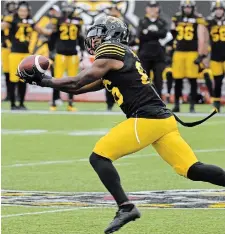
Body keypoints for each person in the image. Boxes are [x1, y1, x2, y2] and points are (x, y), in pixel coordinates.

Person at [17, 16, 225, 234]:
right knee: (193, 169)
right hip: (162, 121)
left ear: (111, 34)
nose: (94, 39)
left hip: (146, 119)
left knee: (99, 157)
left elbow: (78, 81)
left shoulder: (111, 50)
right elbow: (79, 88)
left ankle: (126, 207)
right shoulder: (120, 55)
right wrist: (44, 80)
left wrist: (44, 80)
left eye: (98, 34)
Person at [1, 1, 51, 110]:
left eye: (25, 11)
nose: (23, 13)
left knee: (24, 79)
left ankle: (22, 103)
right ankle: (13, 104)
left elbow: (41, 30)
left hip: (26, 54)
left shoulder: (30, 21)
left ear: (28, 11)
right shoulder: (12, 19)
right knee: (13, 79)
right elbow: (3, 26)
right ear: (17, 11)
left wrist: (51, 32)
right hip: (14, 53)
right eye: (21, 11)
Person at [171, 0, 208, 113]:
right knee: (178, 80)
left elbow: (202, 37)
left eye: (189, 7)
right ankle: (177, 104)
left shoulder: (198, 19)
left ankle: (192, 105)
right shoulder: (176, 18)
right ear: (182, 7)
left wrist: (201, 54)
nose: (187, 9)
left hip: (192, 52)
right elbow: (172, 34)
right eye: (185, 7)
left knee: (193, 80)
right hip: (179, 52)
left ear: (193, 8)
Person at [50, 1, 84, 111]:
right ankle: (54, 102)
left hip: (73, 54)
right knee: (56, 80)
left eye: (70, 8)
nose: (68, 11)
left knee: (73, 81)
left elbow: (80, 37)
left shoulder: (78, 20)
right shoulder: (58, 20)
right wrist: (51, 51)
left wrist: (82, 51)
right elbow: (53, 36)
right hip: (60, 53)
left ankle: (70, 104)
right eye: (67, 8)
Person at [137, 0, 168, 97]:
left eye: (154, 7)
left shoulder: (162, 22)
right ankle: (145, 101)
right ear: (146, 9)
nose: (152, 10)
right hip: (144, 55)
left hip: (159, 56)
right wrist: (155, 35)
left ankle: (158, 101)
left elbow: (164, 34)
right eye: (150, 7)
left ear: (158, 8)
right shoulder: (142, 21)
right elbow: (140, 35)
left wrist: (148, 33)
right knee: (144, 79)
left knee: (158, 79)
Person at [206, 0, 225, 112]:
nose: (218, 12)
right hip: (215, 57)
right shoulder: (209, 23)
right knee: (217, 82)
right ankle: (216, 104)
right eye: (217, 9)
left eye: (220, 9)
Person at [1, 1, 17, 101]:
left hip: (16, 49)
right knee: (7, 72)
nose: (12, 7)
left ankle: (18, 94)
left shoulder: (18, 19)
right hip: (6, 49)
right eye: (10, 5)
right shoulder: (4, 17)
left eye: (13, 5)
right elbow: (4, 31)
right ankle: (9, 95)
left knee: (17, 73)